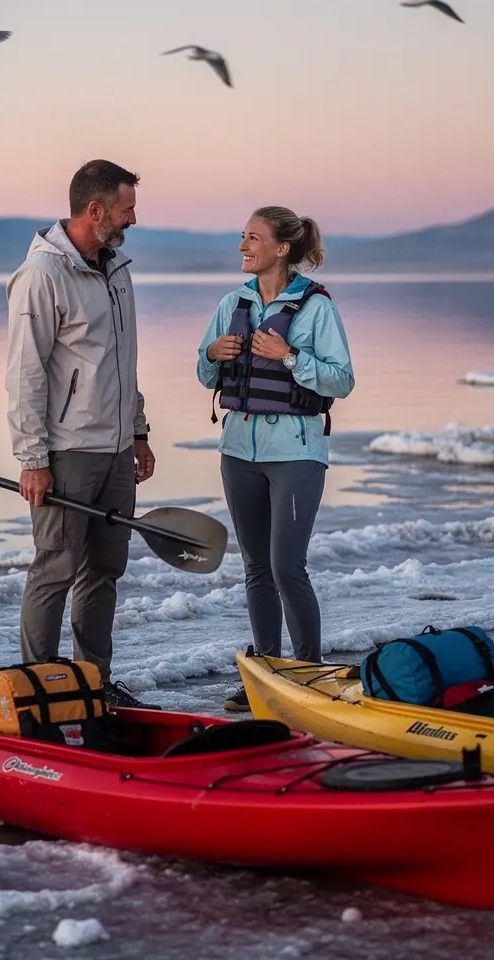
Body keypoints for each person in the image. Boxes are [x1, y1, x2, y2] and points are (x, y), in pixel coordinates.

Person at [5, 159, 159, 710]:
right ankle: (36, 690)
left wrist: (137, 431)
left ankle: (92, 683)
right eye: (127, 209)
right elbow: (24, 373)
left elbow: (123, 362)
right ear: (96, 211)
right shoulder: (42, 276)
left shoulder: (116, 269)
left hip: (116, 452)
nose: (133, 219)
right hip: (67, 453)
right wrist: (32, 458)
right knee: (55, 569)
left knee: (104, 573)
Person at [196, 206, 354, 711]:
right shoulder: (231, 302)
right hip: (238, 452)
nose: (243, 246)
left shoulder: (316, 308)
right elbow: (205, 374)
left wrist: (288, 356)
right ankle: (264, 675)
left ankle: (307, 675)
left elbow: (342, 380)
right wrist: (212, 355)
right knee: (256, 568)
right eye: (242, 237)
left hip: (297, 454)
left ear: (281, 249)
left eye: (253, 238)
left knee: (288, 566)